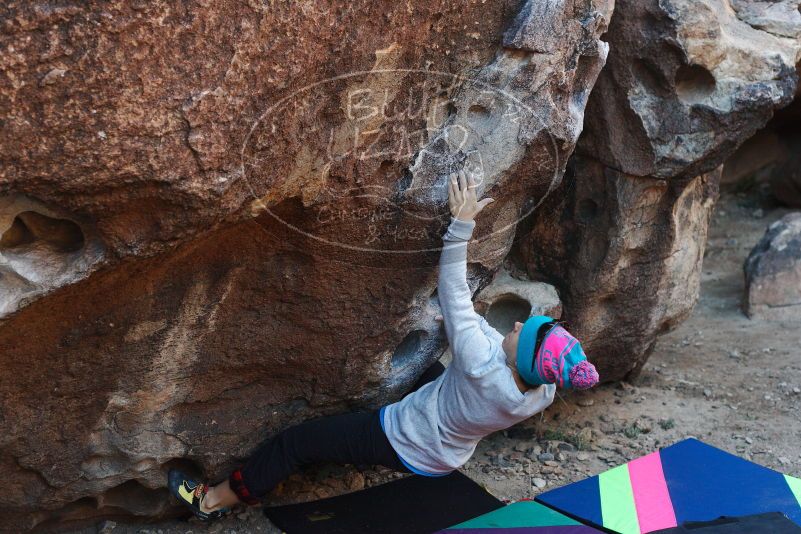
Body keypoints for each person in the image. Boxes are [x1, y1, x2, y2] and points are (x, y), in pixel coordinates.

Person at [167, 171, 599, 521]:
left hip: (403, 439)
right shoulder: (540, 391)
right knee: (430, 368)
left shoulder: (481, 365)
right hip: (449, 448)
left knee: (297, 443)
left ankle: (213, 501)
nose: (519, 322)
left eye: (523, 330)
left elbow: (455, 296)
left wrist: (462, 224)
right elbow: (482, 341)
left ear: (522, 360)